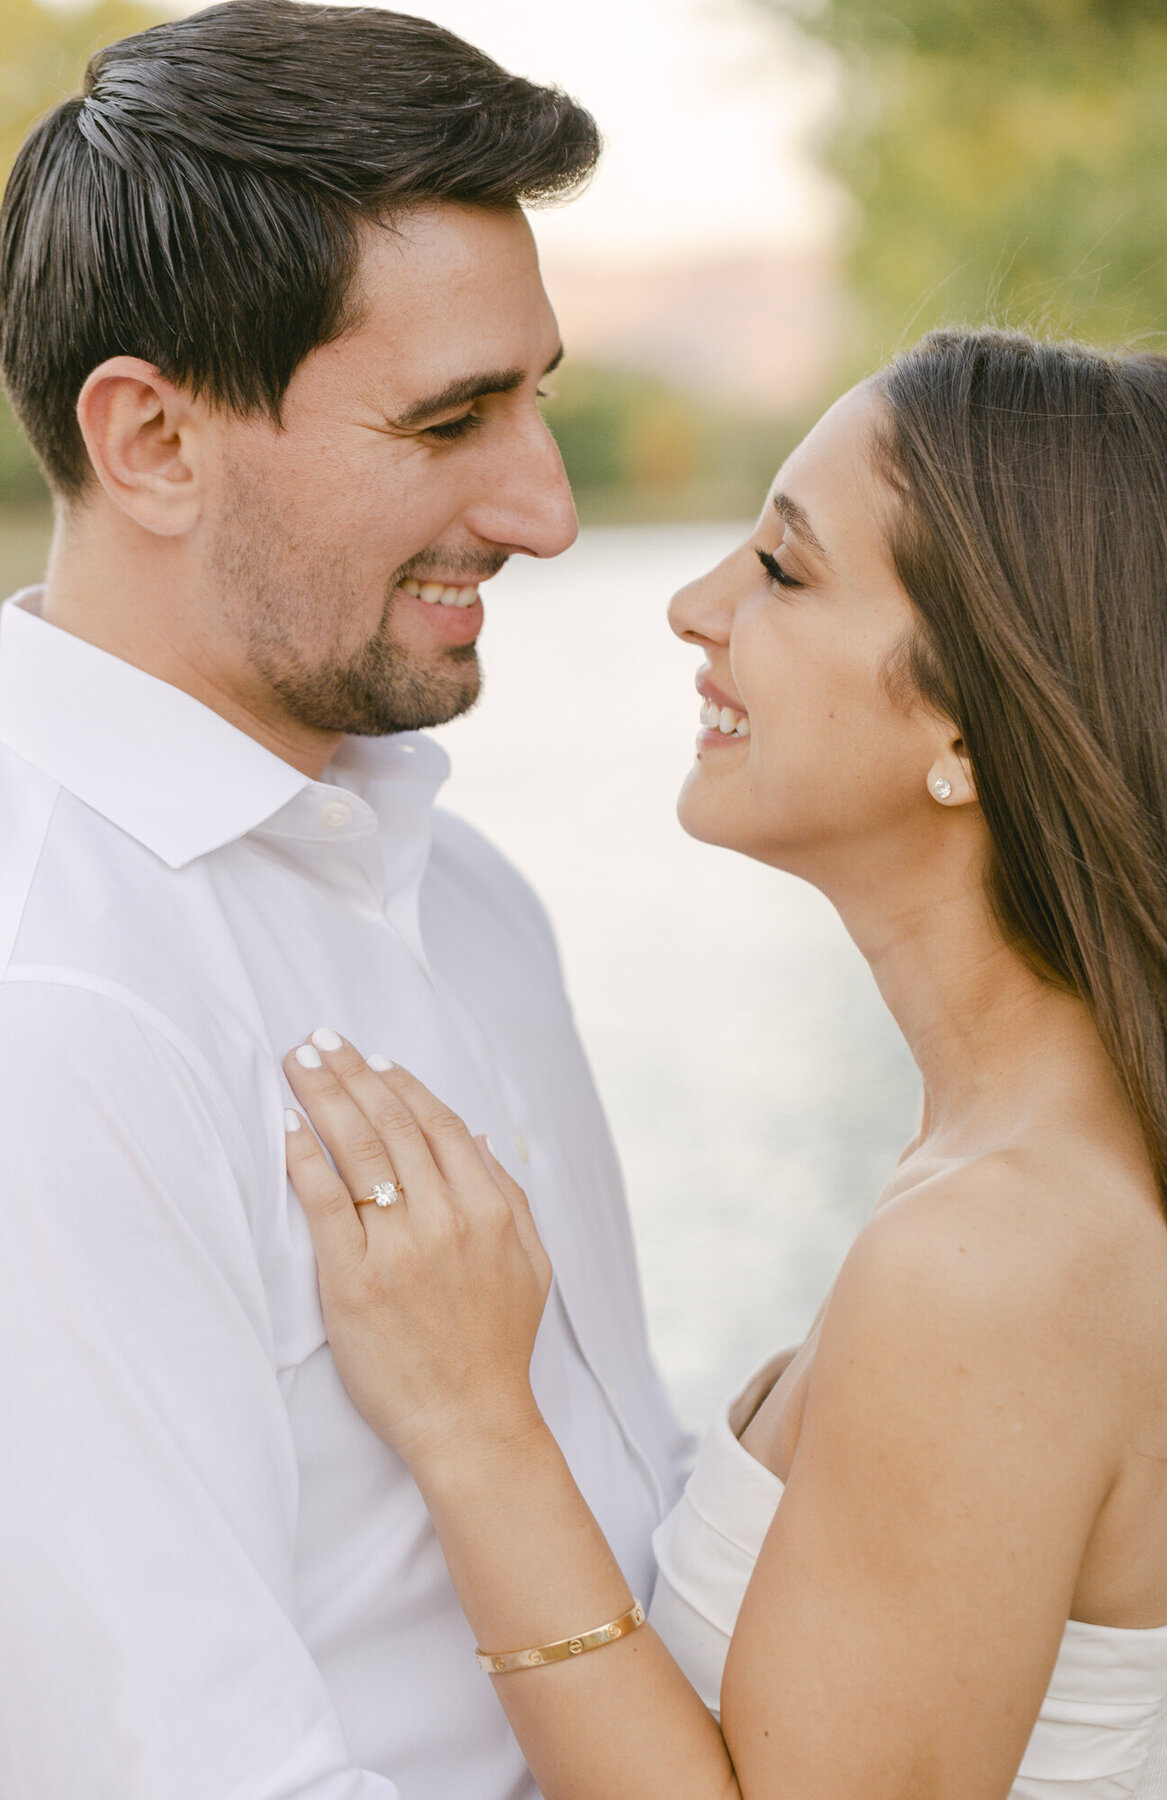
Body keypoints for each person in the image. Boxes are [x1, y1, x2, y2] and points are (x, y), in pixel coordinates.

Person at [282, 328, 1167, 1799]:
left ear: (973, 711)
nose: (693, 606)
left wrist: (475, 1426)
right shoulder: (1020, 1177)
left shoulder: (1001, 1252)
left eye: (782, 572)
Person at [0, 3, 689, 1794]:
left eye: (536, 396)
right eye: (452, 417)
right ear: (152, 438)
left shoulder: (457, 882)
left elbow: (632, 1481)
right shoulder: (50, 992)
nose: (542, 508)